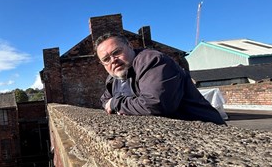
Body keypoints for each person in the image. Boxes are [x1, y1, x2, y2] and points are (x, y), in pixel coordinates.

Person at [95, 33, 226, 124]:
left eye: (116, 52)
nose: (113, 61)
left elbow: (156, 104)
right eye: (106, 59)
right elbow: (104, 100)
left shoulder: (151, 61)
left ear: (129, 46)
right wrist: (122, 104)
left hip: (205, 131)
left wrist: (116, 104)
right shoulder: (113, 78)